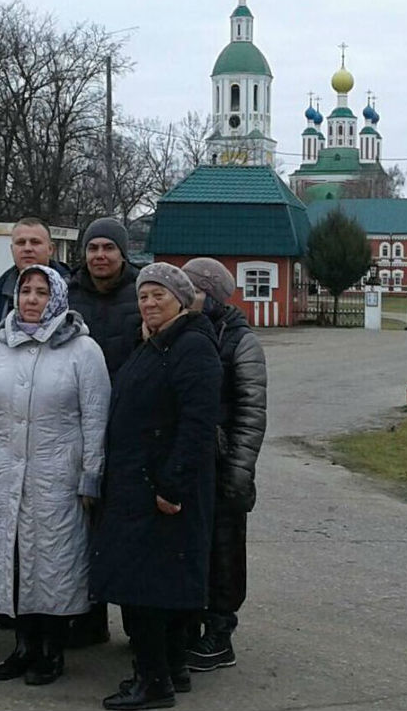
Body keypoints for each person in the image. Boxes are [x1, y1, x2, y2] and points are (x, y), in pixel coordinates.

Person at [0, 265, 110, 686]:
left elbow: (96, 417)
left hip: (56, 478)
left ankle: (51, 651)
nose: (31, 299)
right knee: (15, 560)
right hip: (4, 475)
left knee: (53, 564)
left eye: (41, 292)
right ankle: (23, 647)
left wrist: (90, 476)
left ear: (57, 298)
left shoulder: (82, 350)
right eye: (26, 291)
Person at [92, 263, 222, 711]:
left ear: (181, 301)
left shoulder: (192, 348)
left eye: (159, 296)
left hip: (162, 490)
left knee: (148, 589)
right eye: (143, 296)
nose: (148, 304)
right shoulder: (154, 344)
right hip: (138, 484)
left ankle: (154, 682)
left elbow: (199, 424)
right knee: (154, 585)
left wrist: (172, 485)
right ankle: (170, 668)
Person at [181, 257, 267, 673]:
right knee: (193, 548)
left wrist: (238, 470)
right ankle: (187, 626)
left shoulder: (240, 341)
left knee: (225, 551)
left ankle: (220, 632)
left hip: (224, 463)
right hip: (192, 464)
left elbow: (251, 411)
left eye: (193, 291)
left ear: (211, 294)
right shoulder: (184, 331)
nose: (186, 298)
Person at [66, 217, 142, 648]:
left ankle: (137, 624)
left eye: (107, 248)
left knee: (127, 529)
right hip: (76, 425)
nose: (99, 256)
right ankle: (87, 618)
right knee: (82, 527)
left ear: (122, 253)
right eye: (92, 248)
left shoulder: (140, 293)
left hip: (126, 425)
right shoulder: (70, 294)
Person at [0, 217, 71, 322]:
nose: (27, 248)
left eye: (35, 242)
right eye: (21, 242)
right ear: (12, 250)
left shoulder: (74, 289)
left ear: (50, 249)